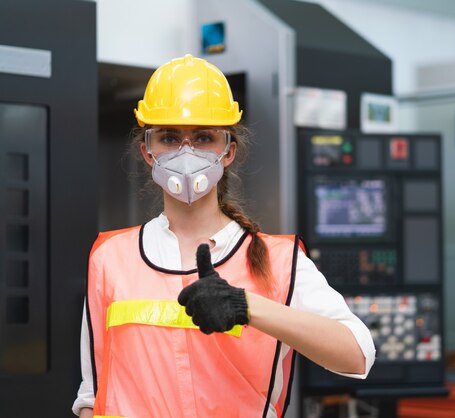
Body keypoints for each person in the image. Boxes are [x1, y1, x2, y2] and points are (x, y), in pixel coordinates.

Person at [72, 54, 375, 418]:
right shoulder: (110, 256)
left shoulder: (278, 260)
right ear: (148, 152)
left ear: (228, 151)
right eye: (169, 137)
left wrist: (247, 307)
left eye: (203, 137)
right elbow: (93, 393)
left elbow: (357, 355)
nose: (187, 152)